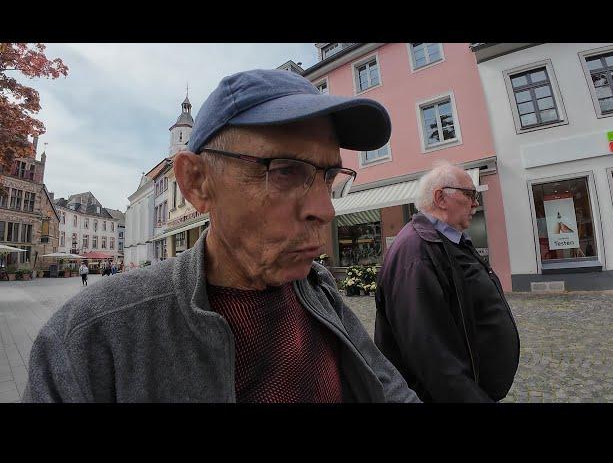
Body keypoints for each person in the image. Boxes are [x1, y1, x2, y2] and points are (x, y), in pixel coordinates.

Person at [23, 69, 420, 403]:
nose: (326, 209)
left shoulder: (319, 290)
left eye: (330, 177)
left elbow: (388, 387)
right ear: (196, 182)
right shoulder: (93, 333)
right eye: (284, 171)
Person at [374, 162, 520, 402]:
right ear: (440, 198)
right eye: (470, 194)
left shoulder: (447, 240)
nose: (476, 203)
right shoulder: (416, 253)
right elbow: (432, 355)